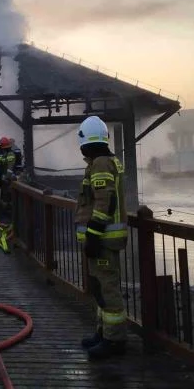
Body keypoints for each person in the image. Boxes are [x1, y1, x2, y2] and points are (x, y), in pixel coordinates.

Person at [74, 115, 128, 360]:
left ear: (86, 142)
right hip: (103, 238)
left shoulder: (101, 164)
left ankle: (114, 340)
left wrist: (93, 236)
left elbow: (103, 202)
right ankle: (102, 332)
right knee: (99, 287)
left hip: (103, 240)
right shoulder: (105, 161)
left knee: (107, 288)